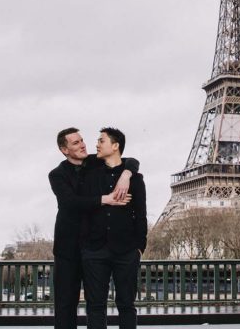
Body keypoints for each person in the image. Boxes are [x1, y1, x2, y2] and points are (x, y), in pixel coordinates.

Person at [49, 127, 137, 329]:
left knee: (95, 304)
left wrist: (125, 175)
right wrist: (106, 199)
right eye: (75, 143)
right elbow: (70, 202)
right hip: (68, 248)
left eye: (81, 140)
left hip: (94, 246)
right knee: (65, 304)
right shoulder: (56, 174)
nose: (82, 145)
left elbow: (131, 160)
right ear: (64, 150)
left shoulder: (94, 162)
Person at [80, 127, 146, 329]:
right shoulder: (90, 173)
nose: (97, 144)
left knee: (126, 304)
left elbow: (141, 214)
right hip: (94, 249)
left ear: (115, 146)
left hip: (126, 250)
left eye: (101, 141)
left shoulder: (135, 179)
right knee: (95, 305)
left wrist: (139, 248)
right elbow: (84, 206)